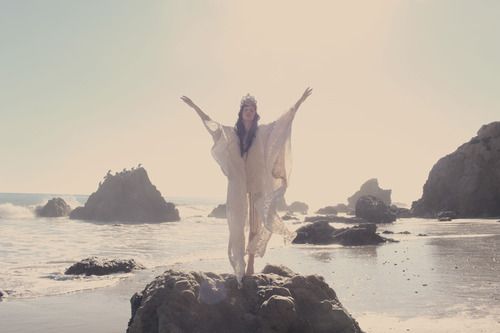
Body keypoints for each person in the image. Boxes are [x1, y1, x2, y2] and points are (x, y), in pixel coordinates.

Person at [181, 87, 312, 284]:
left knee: (255, 224)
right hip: (238, 185)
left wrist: (299, 102)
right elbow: (212, 125)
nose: (249, 111)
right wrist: (195, 107)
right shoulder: (231, 133)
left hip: (258, 181)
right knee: (237, 223)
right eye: (246, 109)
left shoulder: (262, 131)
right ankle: (240, 264)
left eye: (252, 108)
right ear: (241, 112)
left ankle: (251, 264)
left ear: (255, 112)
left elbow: (282, 123)